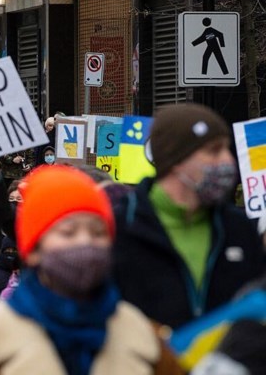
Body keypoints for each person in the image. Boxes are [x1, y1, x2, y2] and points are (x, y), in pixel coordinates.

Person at [0, 165, 187, 375]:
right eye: (68, 232)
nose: (85, 242)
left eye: (97, 232)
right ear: (34, 250)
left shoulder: (150, 346)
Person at [112, 104, 264, 328]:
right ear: (175, 159)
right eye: (214, 150)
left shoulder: (239, 228)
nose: (228, 161)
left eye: (227, 149)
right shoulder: (122, 227)